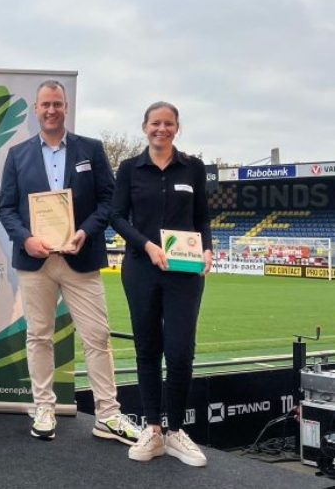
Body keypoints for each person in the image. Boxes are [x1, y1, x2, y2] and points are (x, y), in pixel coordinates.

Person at [0, 79, 141, 445]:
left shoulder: (90, 149)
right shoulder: (17, 154)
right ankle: (43, 407)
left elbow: (109, 200)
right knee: (38, 336)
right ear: (36, 108)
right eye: (45, 104)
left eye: (57, 104)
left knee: (97, 336)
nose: (51, 110)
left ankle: (107, 414)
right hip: (36, 261)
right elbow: (6, 208)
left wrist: (85, 232)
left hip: (81, 257)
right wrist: (26, 239)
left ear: (66, 107)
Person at [110, 101, 213, 467]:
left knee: (181, 351)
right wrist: (147, 246)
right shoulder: (129, 168)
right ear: (145, 127)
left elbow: (202, 217)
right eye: (155, 123)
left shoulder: (193, 167)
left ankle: (176, 431)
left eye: (168, 123)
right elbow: (117, 217)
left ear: (177, 128)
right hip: (142, 267)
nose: (162, 129)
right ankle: (153, 429)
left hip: (184, 272)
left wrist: (208, 249)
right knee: (148, 348)